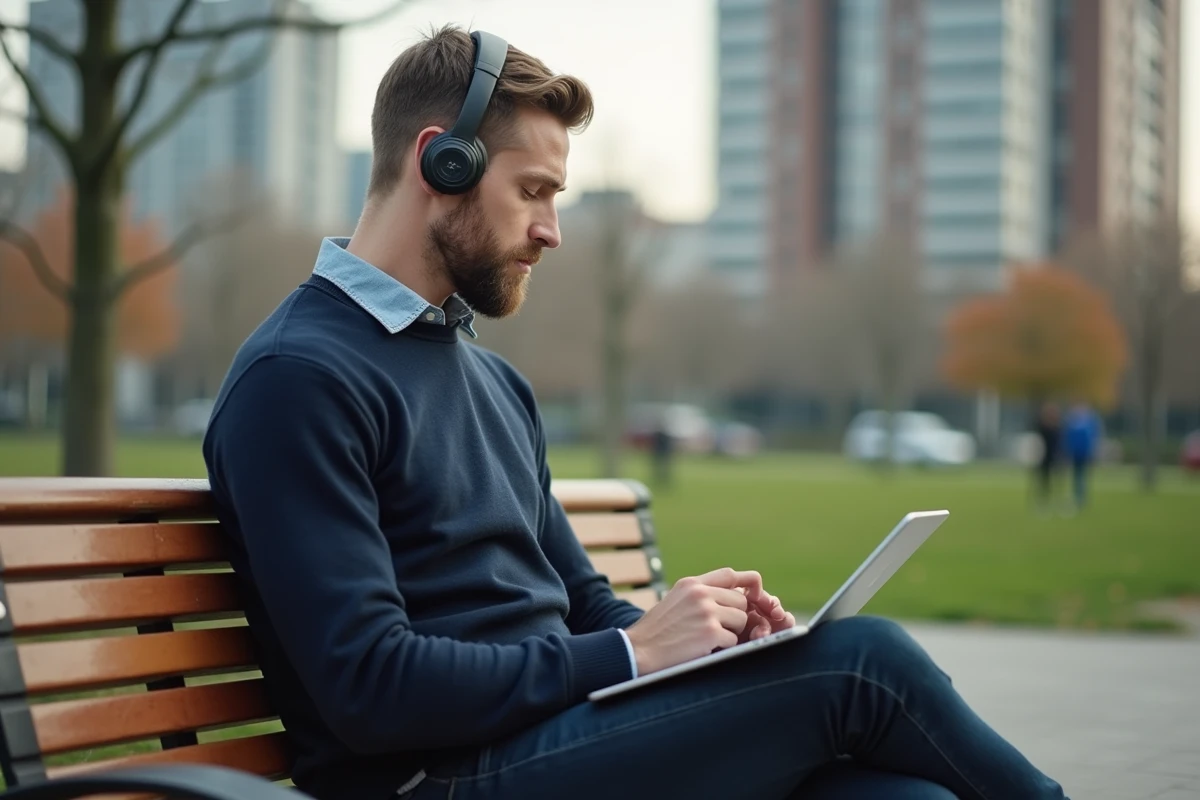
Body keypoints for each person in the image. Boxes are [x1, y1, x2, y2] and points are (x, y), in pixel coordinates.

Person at [202, 25, 1068, 800]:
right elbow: (371, 686)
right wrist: (633, 655)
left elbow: (583, 603)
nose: (551, 230)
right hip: (435, 776)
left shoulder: (492, 384)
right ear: (441, 162)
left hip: (548, 745)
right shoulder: (299, 378)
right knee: (866, 665)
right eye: (534, 191)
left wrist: (710, 642)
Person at [1063, 402, 1102, 510]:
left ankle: (1081, 498)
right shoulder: (1072, 422)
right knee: (1076, 476)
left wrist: (1093, 451)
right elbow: (1068, 439)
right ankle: (1077, 497)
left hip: (1084, 453)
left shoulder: (1088, 423)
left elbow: (1093, 438)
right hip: (1075, 453)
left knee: (1081, 476)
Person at [1033, 401, 1062, 510]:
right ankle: (1043, 500)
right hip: (1045, 457)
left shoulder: (1057, 428)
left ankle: (1056, 500)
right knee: (1044, 480)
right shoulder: (1043, 428)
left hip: (1055, 457)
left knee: (1056, 480)